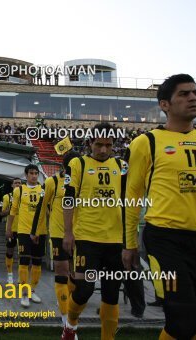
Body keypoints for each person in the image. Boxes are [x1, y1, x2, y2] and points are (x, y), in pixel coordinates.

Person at [123, 74, 196, 340]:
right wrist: (129, 244)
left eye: (194, 92)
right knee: (182, 318)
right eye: (184, 94)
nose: (193, 97)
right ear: (165, 105)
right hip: (166, 239)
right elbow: (132, 194)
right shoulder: (146, 142)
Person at [61, 122, 126, 340]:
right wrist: (68, 233)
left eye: (108, 145)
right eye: (99, 144)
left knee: (111, 294)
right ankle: (70, 325)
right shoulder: (77, 163)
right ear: (90, 143)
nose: (103, 150)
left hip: (116, 239)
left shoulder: (121, 166)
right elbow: (69, 199)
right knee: (85, 290)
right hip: (87, 237)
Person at [32, 150, 80, 326]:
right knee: (61, 271)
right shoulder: (52, 182)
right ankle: (65, 316)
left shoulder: (83, 182)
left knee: (76, 276)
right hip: (59, 233)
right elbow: (41, 206)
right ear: (66, 166)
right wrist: (36, 231)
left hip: (81, 234)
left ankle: (72, 307)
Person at [6, 164, 45, 308]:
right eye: (31, 173)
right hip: (23, 231)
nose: (34, 176)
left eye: (36, 173)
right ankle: (24, 293)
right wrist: (9, 228)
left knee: (37, 263)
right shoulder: (19, 190)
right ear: (26, 175)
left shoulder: (44, 190)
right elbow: (13, 211)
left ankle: (32, 290)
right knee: (23, 261)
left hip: (41, 232)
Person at [0, 178, 23, 284]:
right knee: (10, 251)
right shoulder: (6, 197)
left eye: (19, 183)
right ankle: (10, 275)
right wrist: (12, 209)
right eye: (16, 183)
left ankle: (21, 275)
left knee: (22, 253)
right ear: (12, 185)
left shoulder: (26, 195)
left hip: (24, 229)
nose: (18, 184)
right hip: (11, 228)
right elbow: (1, 212)